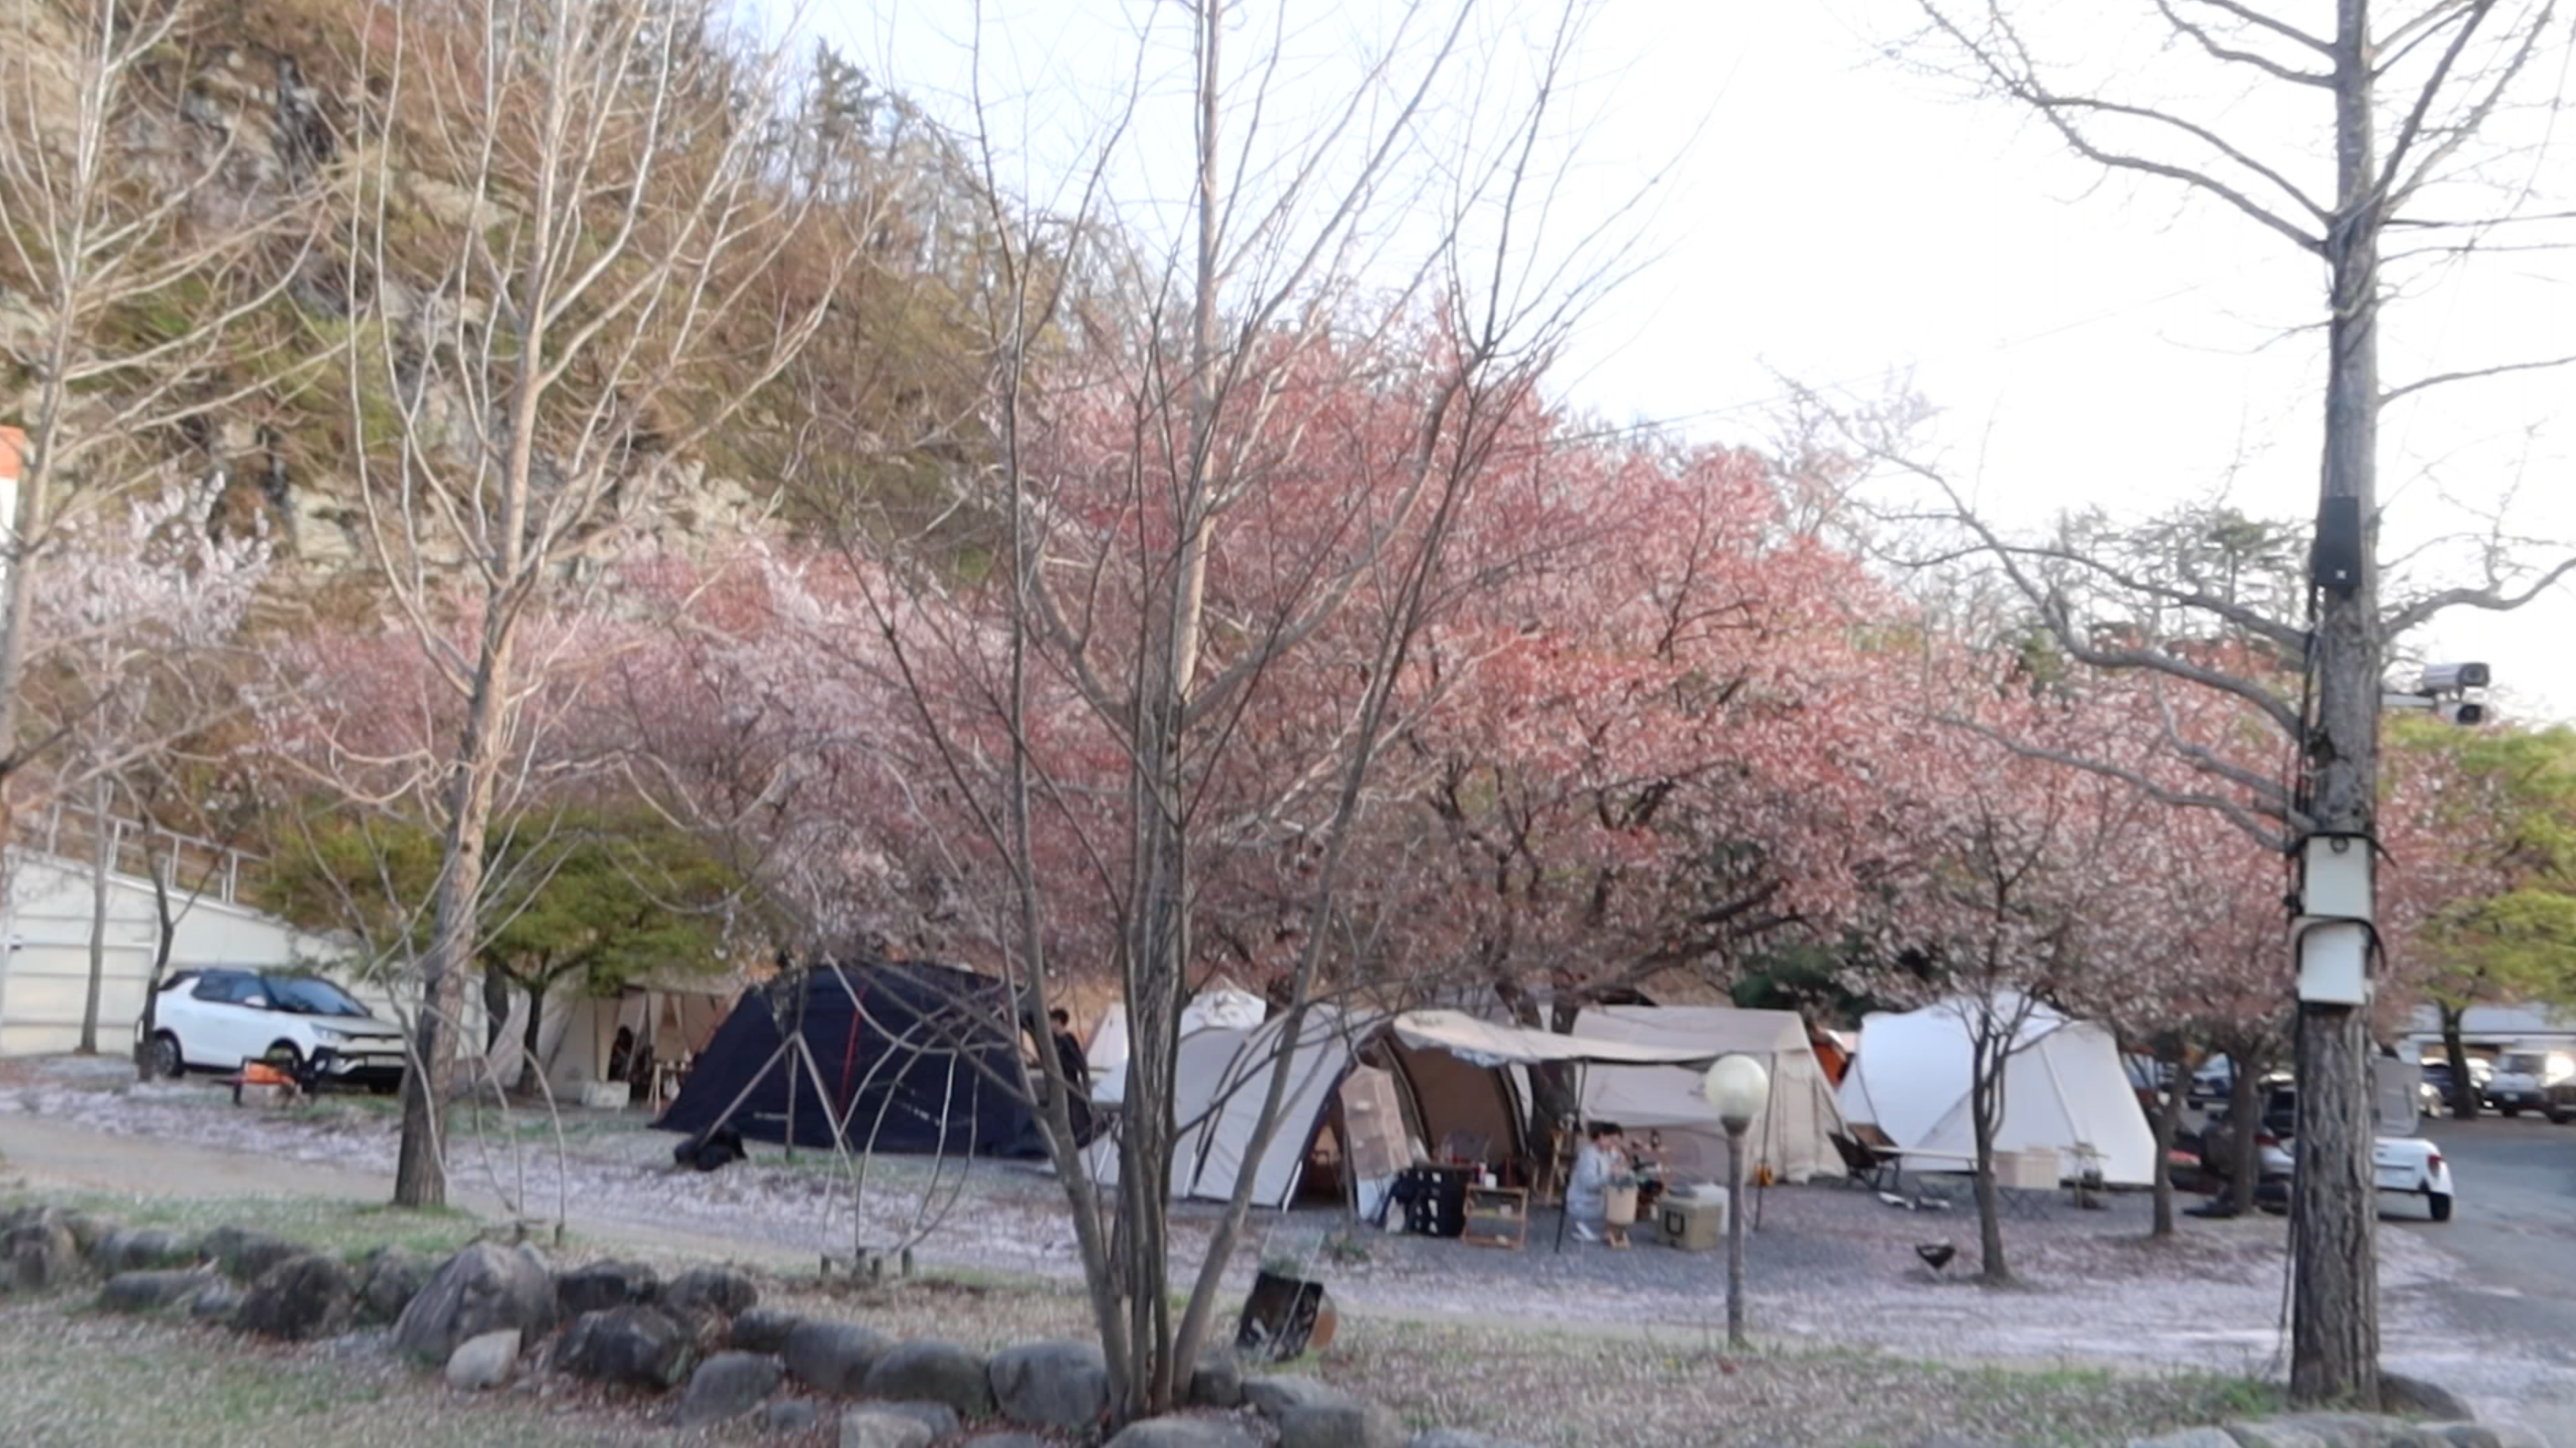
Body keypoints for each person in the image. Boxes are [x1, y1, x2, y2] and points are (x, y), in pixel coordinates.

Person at [1566, 1121, 1627, 1245]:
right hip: (1582, 1202)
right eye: (1611, 1141)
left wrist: (1622, 1160)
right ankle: (1588, 1226)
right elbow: (1589, 1184)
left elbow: (1618, 1159)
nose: (1612, 1146)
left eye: (1615, 1143)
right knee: (1618, 1207)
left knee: (1624, 1201)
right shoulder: (1588, 1155)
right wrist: (1611, 1175)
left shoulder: (1607, 1152)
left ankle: (1611, 1231)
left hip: (1598, 1200)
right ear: (1601, 1136)